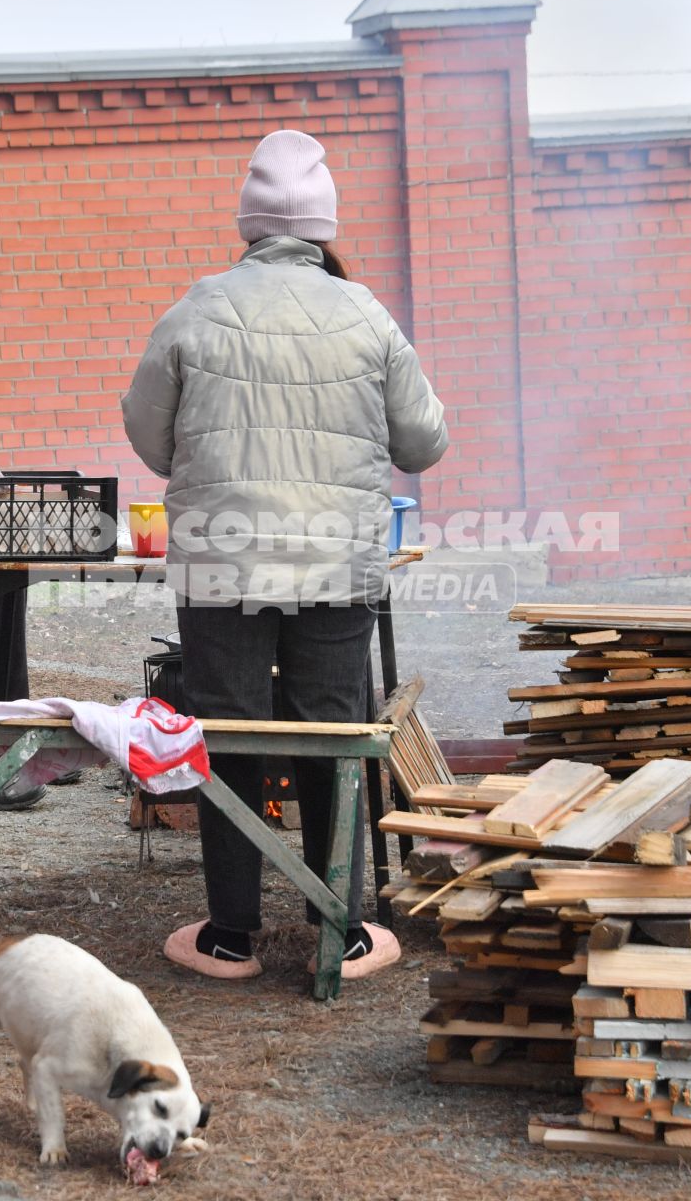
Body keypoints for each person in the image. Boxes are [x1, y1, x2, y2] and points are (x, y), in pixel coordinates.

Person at [123, 130, 450, 981]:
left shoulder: (198, 306)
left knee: (228, 737)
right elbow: (425, 442)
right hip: (337, 570)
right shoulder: (366, 314)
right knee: (332, 736)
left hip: (220, 568)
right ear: (323, 227)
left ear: (250, 224)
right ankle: (335, 929)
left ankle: (231, 935)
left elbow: (150, 439)